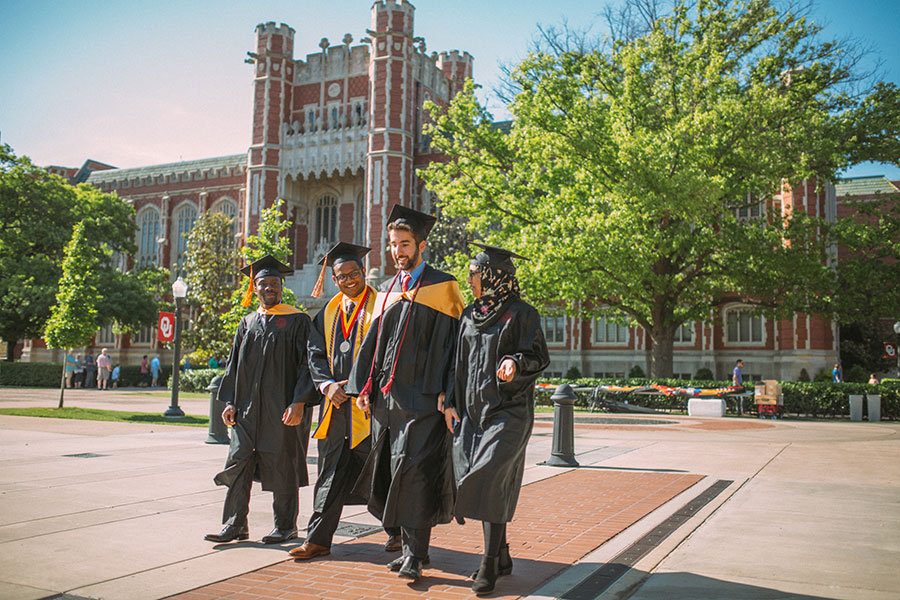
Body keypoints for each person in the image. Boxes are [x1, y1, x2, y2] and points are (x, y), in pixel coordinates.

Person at [349, 205, 464, 581]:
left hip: (425, 399)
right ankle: (409, 545)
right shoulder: (386, 289)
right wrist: (364, 386)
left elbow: (456, 347)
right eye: (393, 244)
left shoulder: (443, 287)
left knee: (414, 472)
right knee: (393, 470)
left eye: (405, 244)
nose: (398, 251)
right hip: (388, 401)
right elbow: (374, 344)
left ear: (421, 245)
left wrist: (449, 393)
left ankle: (415, 554)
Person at [442, 243, 549, 595]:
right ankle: (501, 554)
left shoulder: (521, 314)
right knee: (480, 480)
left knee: (488, 477)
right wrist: (451, 401)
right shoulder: (470, 314)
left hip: (509, 411)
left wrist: (516, 362)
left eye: (474, 273)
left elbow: (538, 356)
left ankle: (488, 565)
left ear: (493, 276)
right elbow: (457, 361)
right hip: (472, 413)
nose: (470, 279)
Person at [291, 242, 399, 560]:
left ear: (363, 273)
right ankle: (319, 539)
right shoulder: (327, 312)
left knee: (383, 471)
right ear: (334, 280)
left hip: (371, 408)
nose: (349, 280)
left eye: (354, 273)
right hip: (336, 408)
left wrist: (358, 386)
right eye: (342, 276)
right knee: (330, 474)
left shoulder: (382, 306)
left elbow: (390, 355)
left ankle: (397, 534)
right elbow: (315, 356)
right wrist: (325, 386)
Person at [205, 254, 318, 545]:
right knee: (238, 463)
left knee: (283, 465)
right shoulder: (247, 322)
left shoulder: (298, 320)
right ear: (254, 288)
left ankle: (285, 525)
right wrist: (229, 402)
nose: (270, 288)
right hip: (246, 410)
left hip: (282, 409)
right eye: (263, 283)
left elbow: (309, 365)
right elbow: (234, 365)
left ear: (282, 286)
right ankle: (234, 524)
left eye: (275, 283)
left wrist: (300, 402)